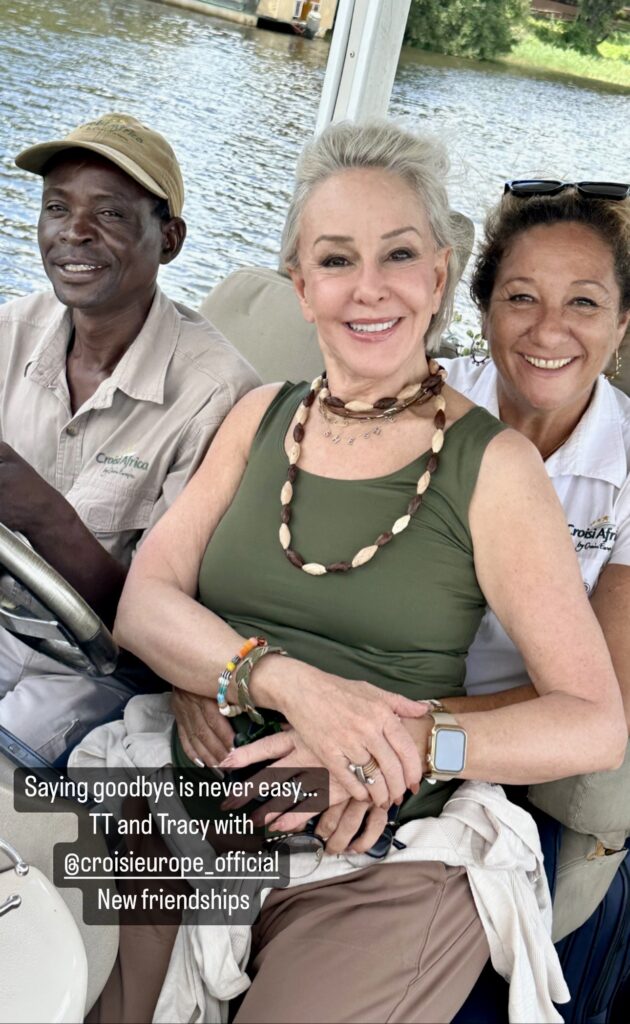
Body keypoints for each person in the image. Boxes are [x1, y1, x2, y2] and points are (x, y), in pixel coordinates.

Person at [114, 122, 626, 1023]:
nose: (370, 287)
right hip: (178, 807)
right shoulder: (261, 416)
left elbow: (593, 725)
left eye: (398, 254)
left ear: (437, 277)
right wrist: (273, 679)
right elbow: (145, 601)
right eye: (336, 259)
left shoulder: (494, 466)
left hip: (374, 854)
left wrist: (402, 744)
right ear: (301, 287)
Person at [0, 113, 259, 761]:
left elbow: (160, 620)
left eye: (110, 215)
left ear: (169, 239)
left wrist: (42, 514)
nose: (73, 233)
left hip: (98, 668)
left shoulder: (219, 395)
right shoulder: (11, 331)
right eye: (56, 207)